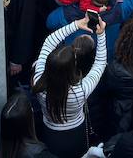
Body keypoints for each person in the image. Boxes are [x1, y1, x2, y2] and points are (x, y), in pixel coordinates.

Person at [33, 13, 107, 157]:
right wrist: (101, 34)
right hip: (75, 134)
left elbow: (49, 42)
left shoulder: (38, 81)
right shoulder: (80, 91)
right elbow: (99, 64)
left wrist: (75, 25)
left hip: (49, 132)